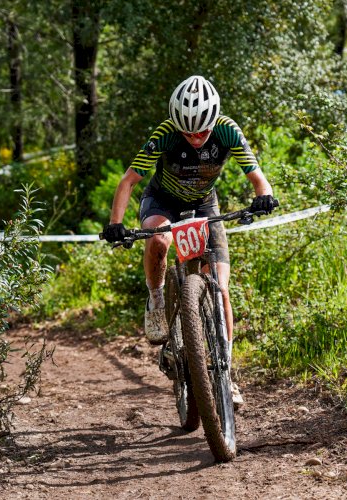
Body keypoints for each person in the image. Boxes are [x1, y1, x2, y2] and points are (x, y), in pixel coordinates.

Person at [103, 75, 277, 404]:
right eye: (188, 132)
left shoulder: (227, 130)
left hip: (204, 204)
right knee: (158, 240)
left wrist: (264, 197)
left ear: (213, 122)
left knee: (221, 289)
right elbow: (128, 181)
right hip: (162, 202)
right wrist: (116, 223)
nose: (195, 138)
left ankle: (225, 372)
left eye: (202, 131)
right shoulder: (165, 134)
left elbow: (257, 177)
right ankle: (156, 300)